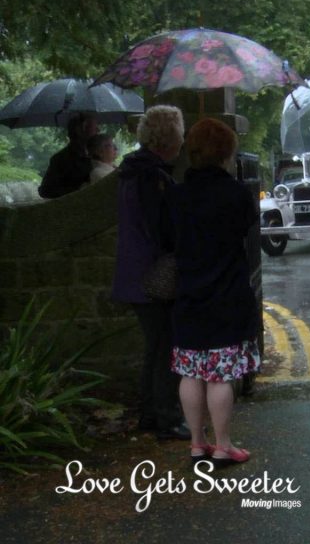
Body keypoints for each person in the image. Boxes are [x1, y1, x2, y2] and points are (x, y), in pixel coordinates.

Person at [167, 118, 260, 467]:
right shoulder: (236, 194)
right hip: (227, 293)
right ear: (226, 152)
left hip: (189, 294)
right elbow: (246, 227)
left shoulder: (176, 195)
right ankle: (223, 446)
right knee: (220, 375)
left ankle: (196, 443)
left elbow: (167, 238)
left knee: (190, 371)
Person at [110, 105, 189, 441]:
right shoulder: (152, 177)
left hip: (134, 274)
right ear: (169, 139)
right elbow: (162, 230)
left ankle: (149, 414)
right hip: (152, 278)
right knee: (166, 349)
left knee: (155, 347)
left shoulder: (133, 171)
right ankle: (167, 419)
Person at [38, 112, 98, 198]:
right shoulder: (61, 159)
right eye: (95, 128)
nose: (98, 130)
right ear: (80, 130)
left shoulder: (95, 155)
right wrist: (80, 190)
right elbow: (46, 191)